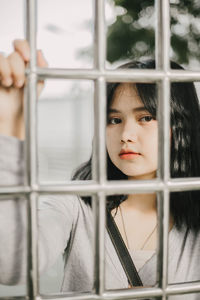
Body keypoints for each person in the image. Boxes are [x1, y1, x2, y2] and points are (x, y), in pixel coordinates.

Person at [0, 40, 200, 299]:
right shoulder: (76, 203)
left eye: (146, 118)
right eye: (114, 120)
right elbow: (12, 265)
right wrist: (9, 128)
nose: (126, 134)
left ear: (182, 122)